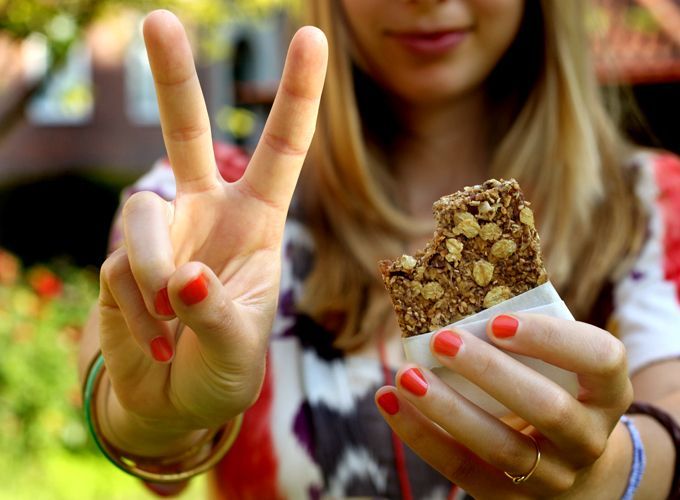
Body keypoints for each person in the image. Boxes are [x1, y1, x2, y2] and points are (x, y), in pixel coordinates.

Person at [79, 1, 680, 498]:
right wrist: (154, 416)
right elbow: (118, 403)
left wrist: (608, 474)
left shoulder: (652, 207)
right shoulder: (206, 210)